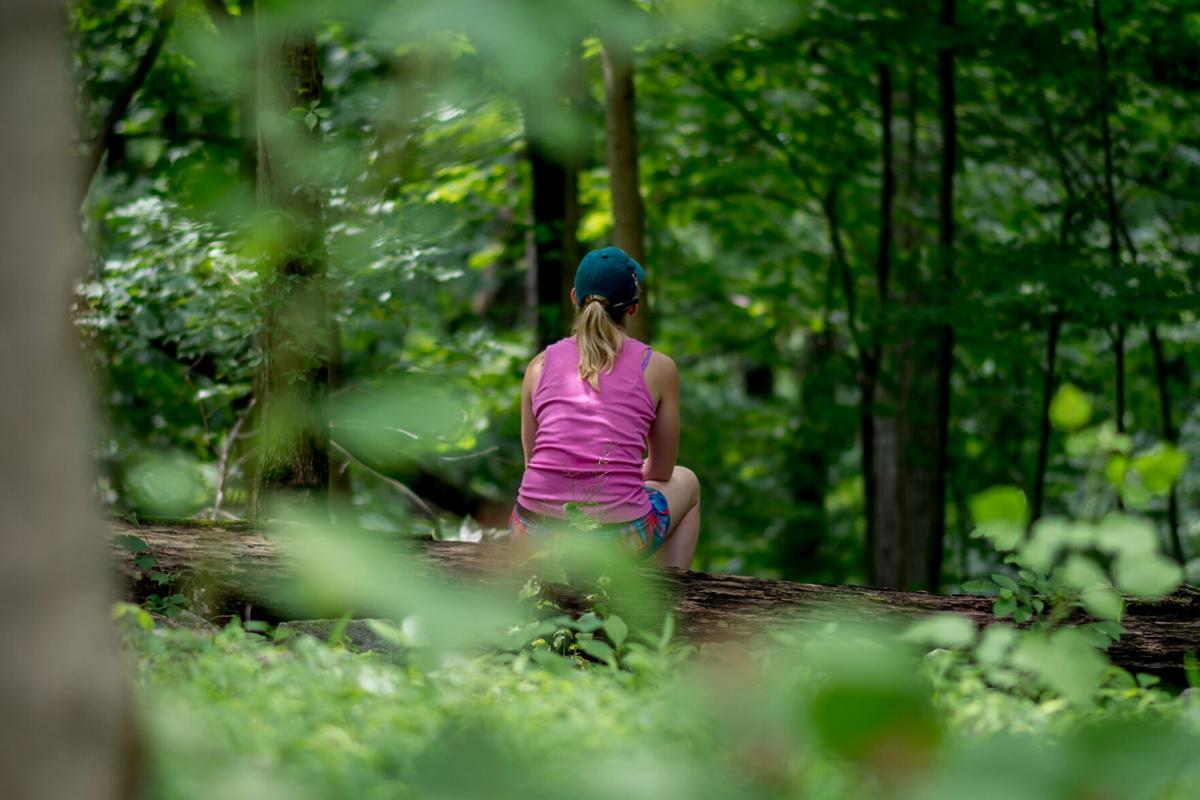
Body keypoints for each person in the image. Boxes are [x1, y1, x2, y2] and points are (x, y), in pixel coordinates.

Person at [510, 246, 701, 569]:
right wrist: (614, 470)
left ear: (574, 297)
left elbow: (534, 465)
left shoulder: (538, 366)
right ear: (634, 308)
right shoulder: (659, 368)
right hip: (615, 540)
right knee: (688, 482)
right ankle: (666, 595)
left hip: (531, 533)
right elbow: (662, 471)